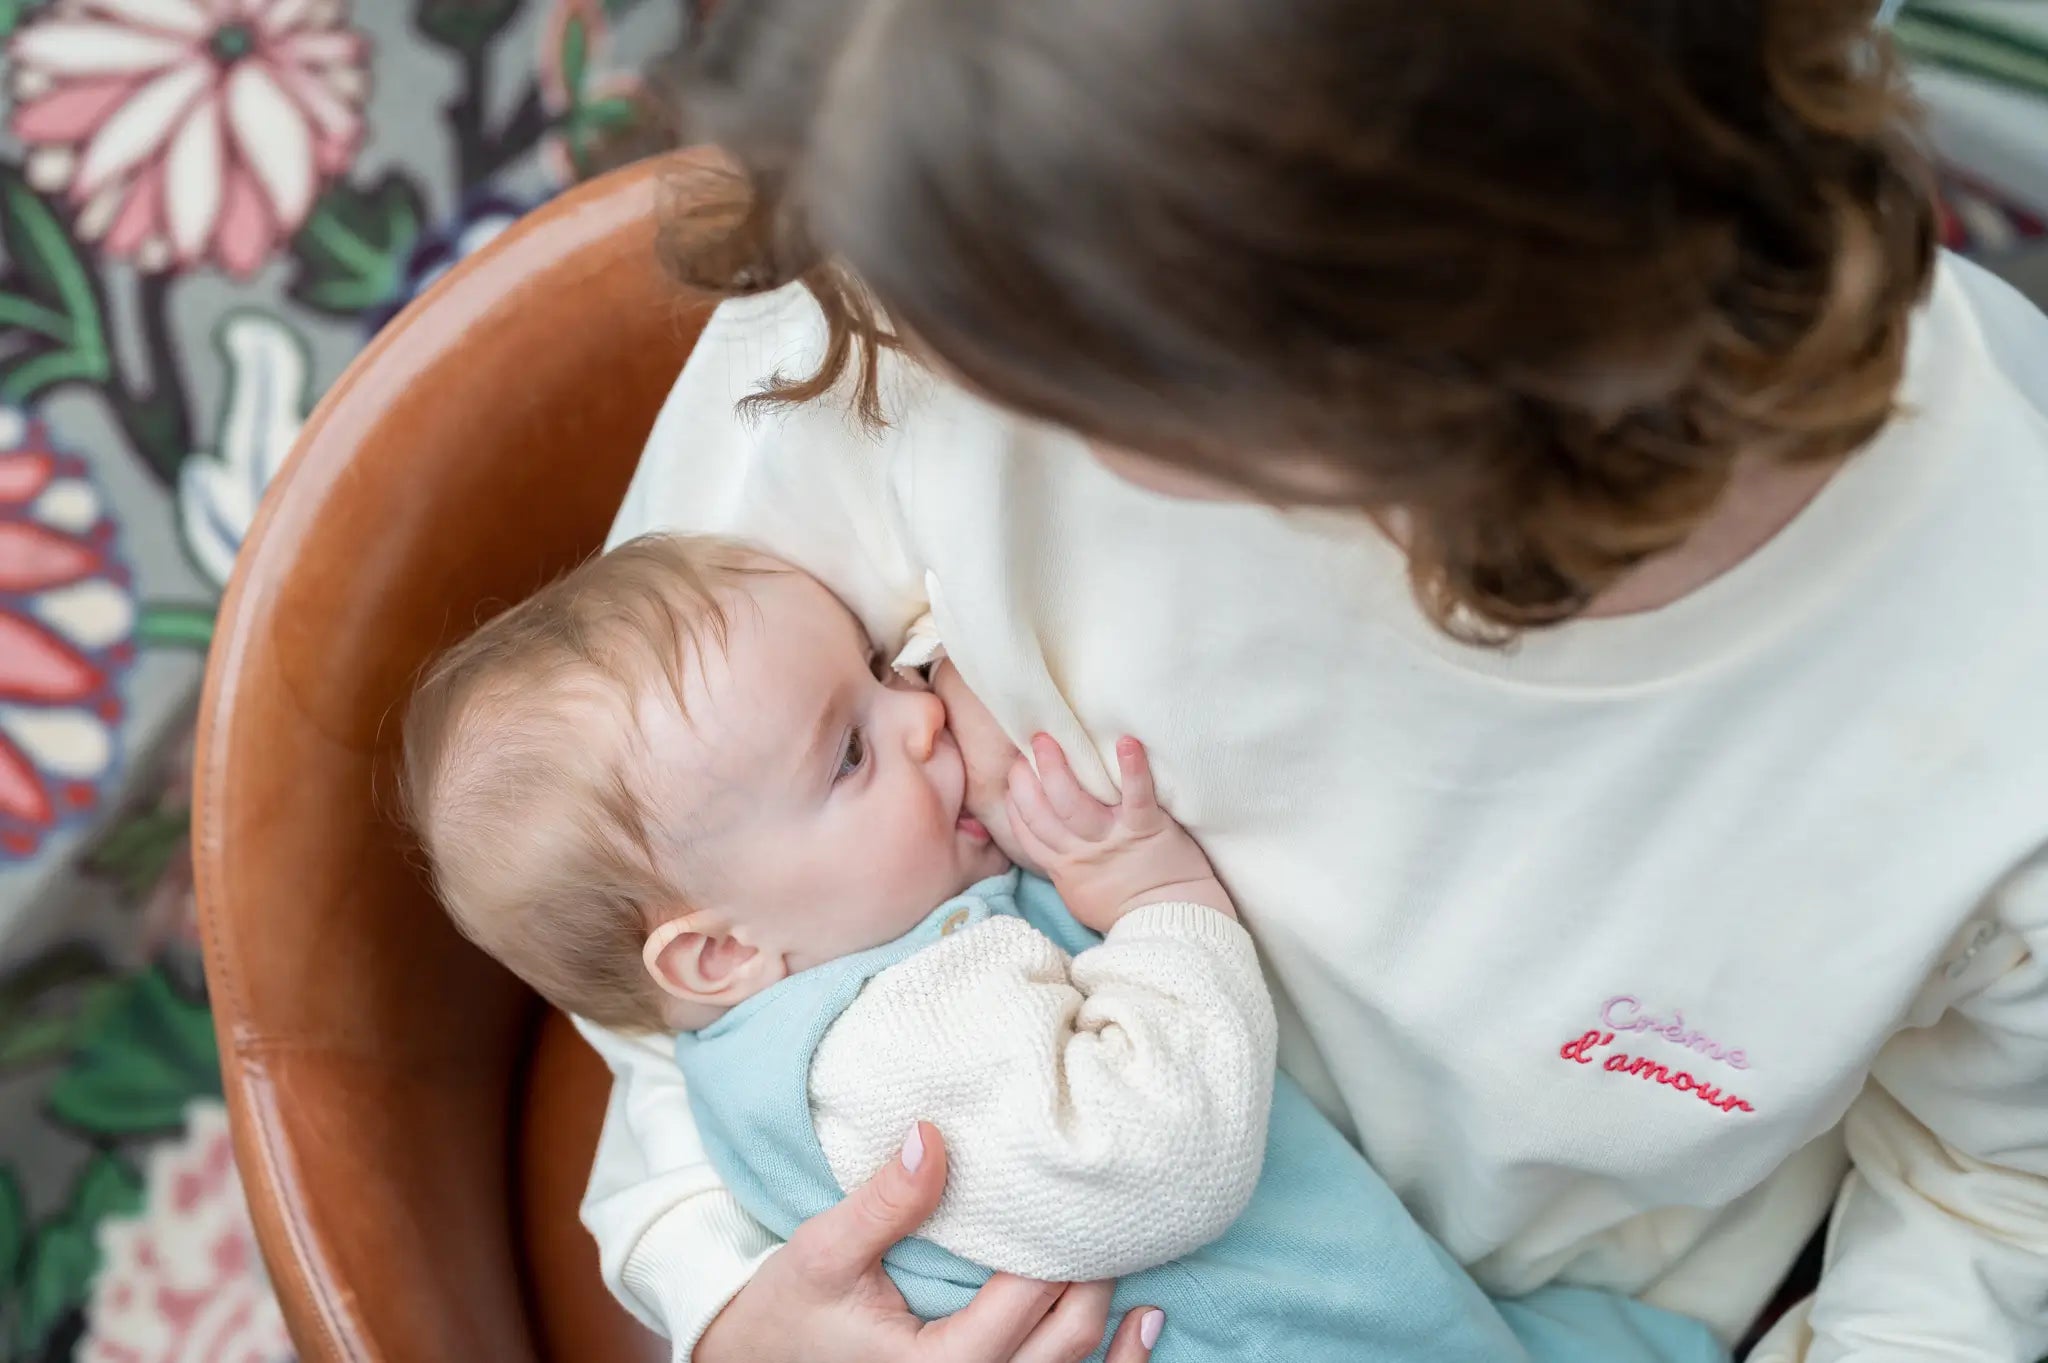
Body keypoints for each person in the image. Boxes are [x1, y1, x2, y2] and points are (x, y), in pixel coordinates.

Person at [579, 1, 2048, 1360]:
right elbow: (629, 837)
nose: (958, 363)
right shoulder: (955, 213)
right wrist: (725, 1296)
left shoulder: (1990, 689)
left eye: (1055, 374)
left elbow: (1994, 1199)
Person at [400, 532, 1726, 1363]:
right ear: (717, 954)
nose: (921, 715)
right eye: (851, 751)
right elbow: (1153, 1150)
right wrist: (1161, 903)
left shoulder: (774, 1039)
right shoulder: (894, 1039)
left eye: (880, 665)